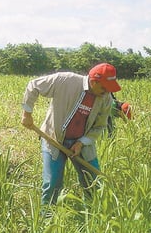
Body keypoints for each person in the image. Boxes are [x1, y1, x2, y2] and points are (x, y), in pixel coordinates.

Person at [21, 63, 121, 206]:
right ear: (94, 81)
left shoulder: (106, 99)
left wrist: (81, 142)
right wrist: (27, 114)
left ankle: (93, 212)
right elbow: (34, 86)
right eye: (104, 87)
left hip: (82, 142)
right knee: (52, 182)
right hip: (53, 137)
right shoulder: (65, 81)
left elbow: (99, 126)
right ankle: (47, 218)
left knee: (93, 180)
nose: (106, 92)